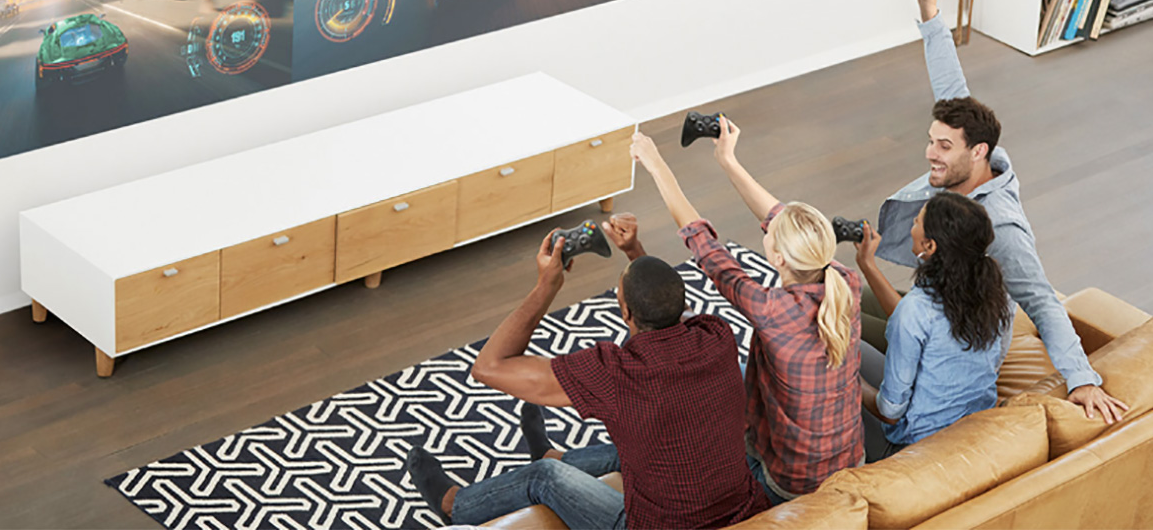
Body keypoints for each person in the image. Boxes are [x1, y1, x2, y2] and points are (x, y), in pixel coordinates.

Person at [867, 0, 1128, 423]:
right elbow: (953, 87)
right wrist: (930, 13)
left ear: (977, 151)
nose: (930, 153)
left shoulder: (1000, 228)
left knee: (847, 332)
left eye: (943, 146)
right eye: (931, 140)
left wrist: (1082, 379)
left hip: (960, 322)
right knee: (850, 305)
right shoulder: (977, 159)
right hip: (937, 294)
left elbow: (1043, 301)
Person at [405, 223, 770, 530]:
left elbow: (489, 366)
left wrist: (547, 285)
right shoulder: (716, 336)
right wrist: (634, 251)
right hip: (741, 511)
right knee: (651, 439)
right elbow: (670, 304)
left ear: (625, 311)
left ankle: (455, 505)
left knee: (544, 476)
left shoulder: (615, 373)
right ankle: (557, 453)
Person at [632, 127, 863, 504]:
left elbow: (703, 244)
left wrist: (655, 164)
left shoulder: (770, 309)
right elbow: (781, 219)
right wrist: (728, 161)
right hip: (850, 461)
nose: (769, 228)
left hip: (790, 482)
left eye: (771, 234)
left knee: (707, 391)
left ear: (777, 259)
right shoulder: (845, 280)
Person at [855, 191, 1013, 461]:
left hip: (912, 447)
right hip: (969, 425)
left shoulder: (916, 309)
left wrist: (852, 383)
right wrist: (868, 265)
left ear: (929, 247)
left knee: (841, 345)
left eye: (916, 222)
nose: (911, 227)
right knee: (858, 299)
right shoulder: (998, 293)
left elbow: (890, 413)